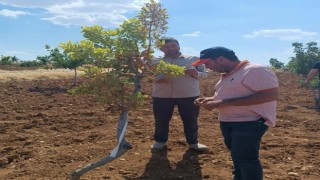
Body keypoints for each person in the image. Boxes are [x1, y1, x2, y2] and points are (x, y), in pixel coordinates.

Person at [192, 47, 279, 180]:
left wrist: (222, 103)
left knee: (246, 158)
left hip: (250, 122)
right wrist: (209, 99)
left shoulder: (255, 70)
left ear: (221, 59)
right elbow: (231, 95)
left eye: (208, 64)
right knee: (238, 156)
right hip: (229, 121)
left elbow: (270, 95)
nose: (208, 68)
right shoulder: (229, 74)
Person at [150, 37, 209, 152]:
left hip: (188, 95)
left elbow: (205, 74)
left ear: (178, 45)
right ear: (161, 49)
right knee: (161, 120)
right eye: (166, 46)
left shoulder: (194, 59)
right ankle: (160, 142)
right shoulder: (155, 61)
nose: (171, 48)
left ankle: (193, 143)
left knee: (191, 120)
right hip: (162, 95)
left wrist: (196, 73)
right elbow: (149, 75)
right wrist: (158, 78)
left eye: (173, 45)